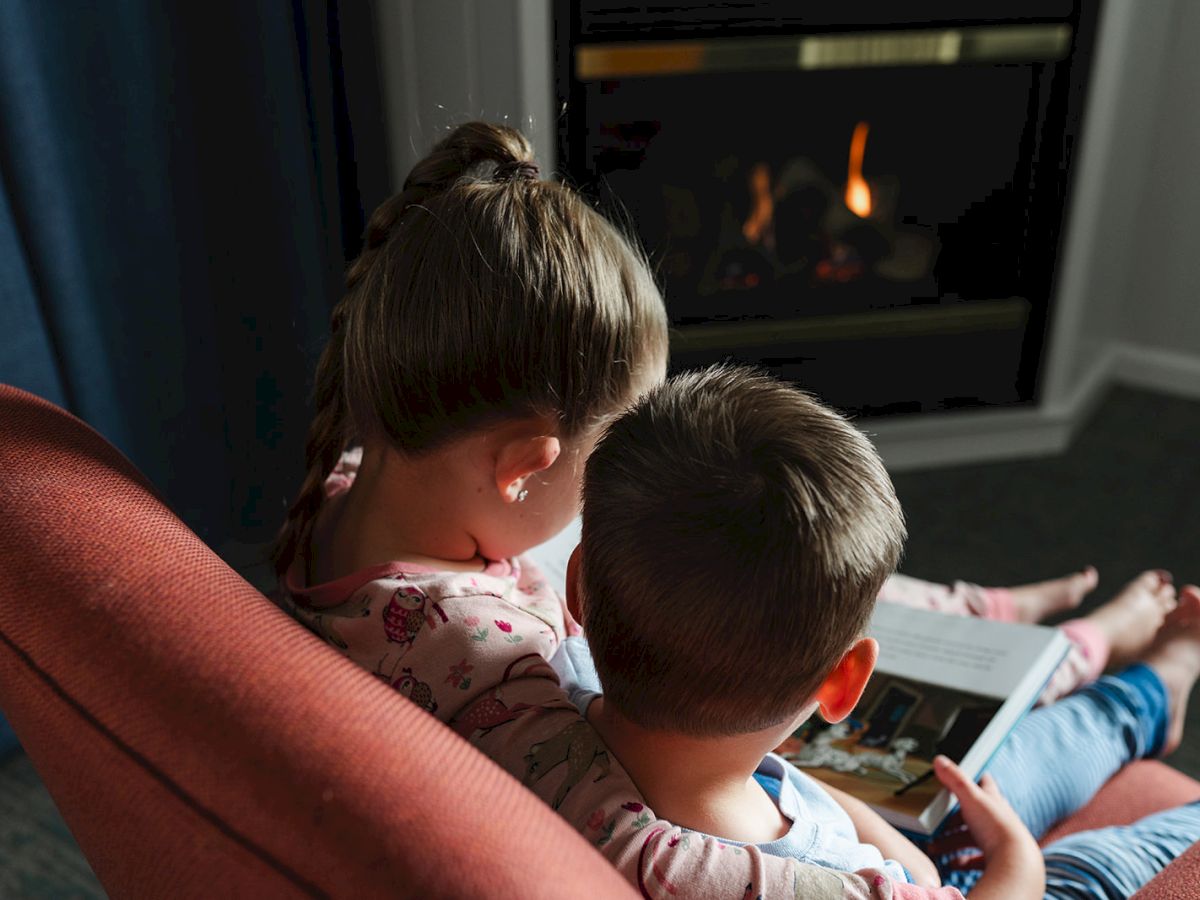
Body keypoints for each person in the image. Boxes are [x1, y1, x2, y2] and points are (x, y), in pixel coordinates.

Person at [273, 121, 1194, 897]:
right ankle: (1139, 681)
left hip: (777, 771)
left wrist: (861, 826)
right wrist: (1010, 877)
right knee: (1071, 837)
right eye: (610, 453)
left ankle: (1102, 661)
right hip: (819, 814)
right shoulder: (485, 665)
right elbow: (638, 841)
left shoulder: (354, 488)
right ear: (523, 467)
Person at [562, 365, 1200, 898]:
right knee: (1095, 862)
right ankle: (1144, 686)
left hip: (865, 833)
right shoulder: (832, 888)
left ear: (578, 588)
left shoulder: (545, 685)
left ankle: (1143, 688)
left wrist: (884, 840)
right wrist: (1016, 862)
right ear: (845, 685)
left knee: (1012, 758)